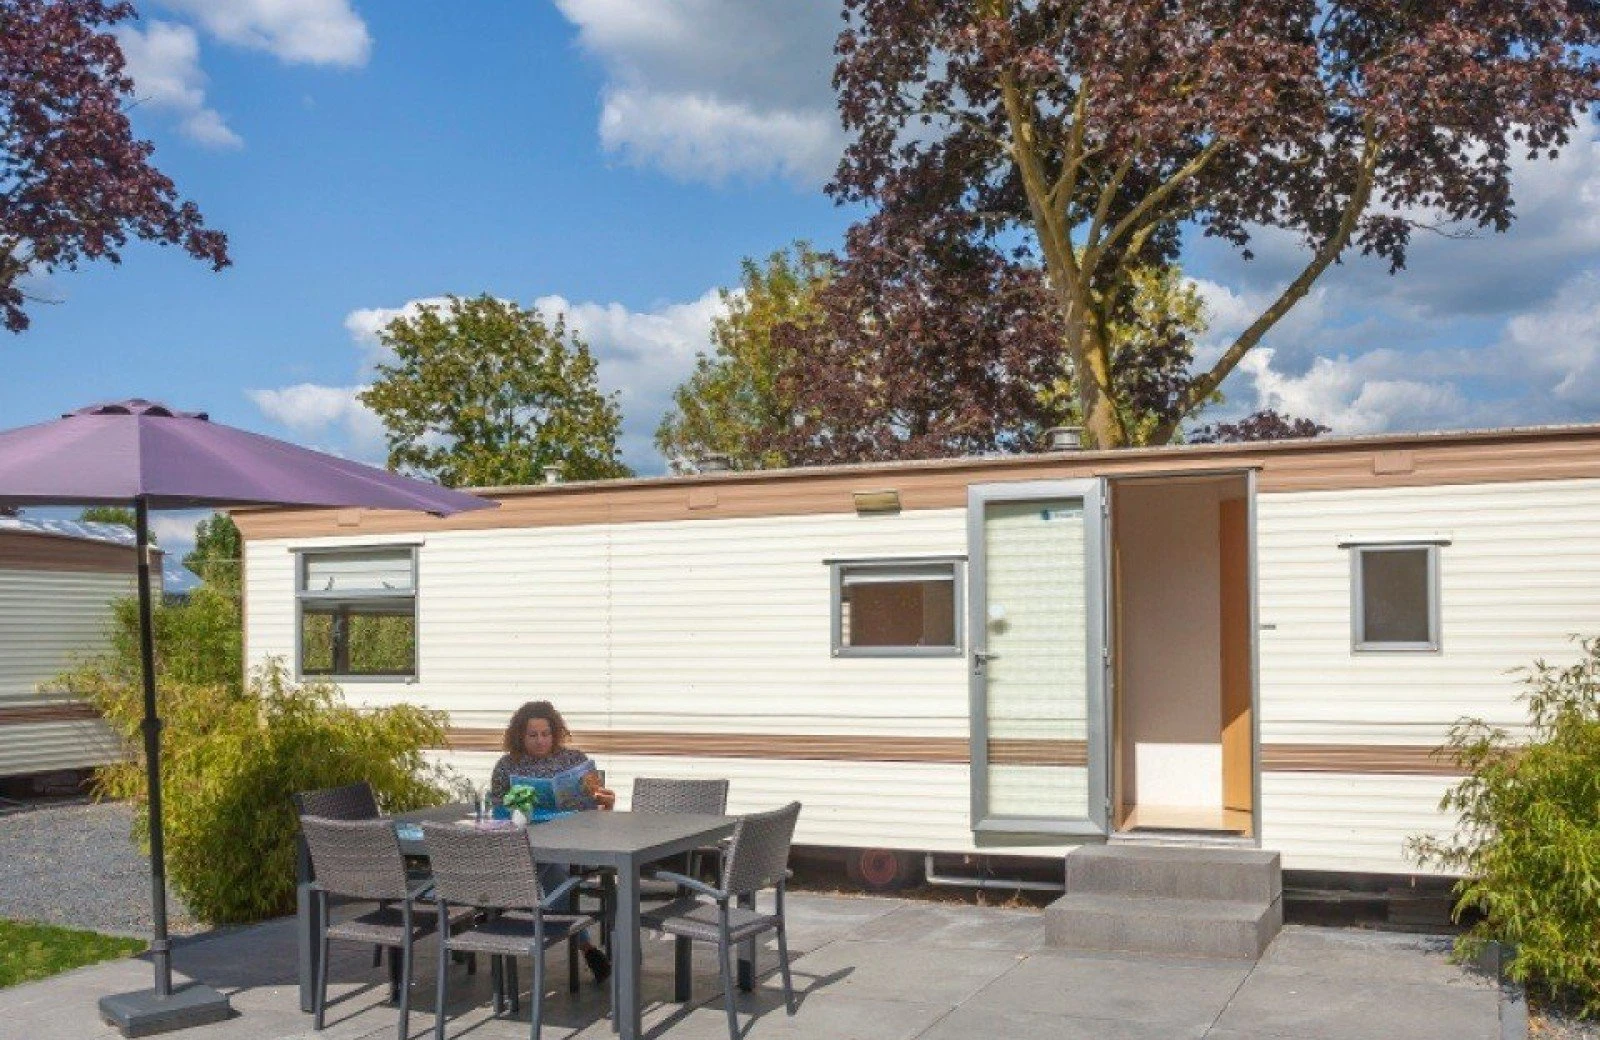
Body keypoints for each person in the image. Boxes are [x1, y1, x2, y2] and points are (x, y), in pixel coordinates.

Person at [488, 700, 616, 982]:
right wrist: (516, 806)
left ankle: (498, 919)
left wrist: (607, 803)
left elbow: (595, 810)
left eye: (545, 734)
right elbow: (497, 810)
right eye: (532, 735)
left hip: (571, 843)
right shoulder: (506, 766)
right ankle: (586, 947)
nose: (540, 740)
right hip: (523, 843)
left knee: (549, 868)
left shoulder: (574, 761)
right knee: (549, 869)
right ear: (520, 736)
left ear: (555, 732)